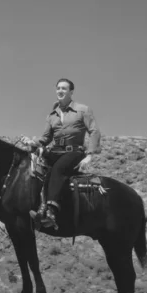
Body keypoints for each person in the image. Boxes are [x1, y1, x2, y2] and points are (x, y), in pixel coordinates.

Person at [23, 78, 101, 229]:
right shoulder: (52, 115)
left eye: (64, 88)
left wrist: (90, 155)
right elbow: (45, 138)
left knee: (58, 169)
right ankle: (37, 208)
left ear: (71, 92)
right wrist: (33, 143)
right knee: (37, 168)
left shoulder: (83, 110)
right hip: (55, 150)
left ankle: (51, 212)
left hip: (75, 151)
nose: (60, 91)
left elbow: (94, 131)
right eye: (58, 88)